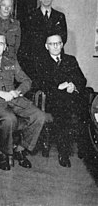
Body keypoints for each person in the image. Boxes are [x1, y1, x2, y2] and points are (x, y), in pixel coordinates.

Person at [0, 34, 46, 171]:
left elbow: (26, 81)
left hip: (15, 99)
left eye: (2, 44)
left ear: (6, 47)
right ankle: (3, 153)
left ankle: (20, 149)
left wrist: (17, 92)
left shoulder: (11, 62)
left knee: (39, 116)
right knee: (9, 119)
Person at [33, 33, 88, 168]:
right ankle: (63, 153)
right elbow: (39, 83)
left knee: (85, 108)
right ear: (46, 46)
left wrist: (73, 85)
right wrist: (58, 87)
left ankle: (84, 148)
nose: (56, 46)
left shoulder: (70, 60)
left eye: (58, 43)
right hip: (52, 100)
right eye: (52, 44)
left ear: (62, 45)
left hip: (72, 97)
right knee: (64, 111)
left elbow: (82, 80)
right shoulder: (41, 61)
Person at [18, 0, 67, 80]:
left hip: (54, 57)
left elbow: (63, 37)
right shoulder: (30, 16)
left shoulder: (60, 16)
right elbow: (26, 40)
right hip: (36, 59)